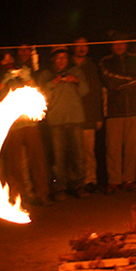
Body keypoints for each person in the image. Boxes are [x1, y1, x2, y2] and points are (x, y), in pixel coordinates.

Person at [0, 50, 52, 207]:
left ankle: (42, 193)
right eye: (4, 60)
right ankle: (19, 195)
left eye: (10, 58)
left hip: (30, 123)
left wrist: (28, 79)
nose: (8, 62)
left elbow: (39, 93)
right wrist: (3, 82)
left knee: (37, 159)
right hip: (12, 125)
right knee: (14, 163)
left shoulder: (25, 74)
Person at [39, 46, 88, 200]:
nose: (61, 61)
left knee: (78, 156)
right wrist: (52, 84)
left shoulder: (76, 71)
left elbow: (85, 90)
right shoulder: (46, 74)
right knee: (58, 158)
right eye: (58, 58)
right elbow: (41, 95)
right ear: (53, 59)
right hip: (56, 121)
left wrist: (77, 81)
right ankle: (59, 188)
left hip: (75, 119)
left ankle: (78, 186)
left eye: (64, 58)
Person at [99, 33, 136, 194]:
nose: (119, 46)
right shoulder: (105, 62)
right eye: (116, 43)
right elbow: (110, 81)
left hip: (135, 110)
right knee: (113, 148)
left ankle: (129, 179)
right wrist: (129, 81)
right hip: (114, 110)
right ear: (111, 45)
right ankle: (114, 181)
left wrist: (122, 83)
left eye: (122, 43)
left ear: (127, 43)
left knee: (132, 148)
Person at [71, 38, 104, 194]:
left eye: (84, 45)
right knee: (74, 151)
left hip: (89, 115)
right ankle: (76, 181)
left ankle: (90, 180)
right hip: (71, 116)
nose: (81, 48)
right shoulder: (67, 65)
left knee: (89, 151)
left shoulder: (91, 66)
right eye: (78, 45)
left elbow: (97, 92)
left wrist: (98, 116)